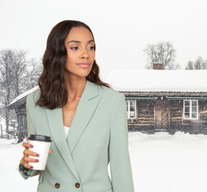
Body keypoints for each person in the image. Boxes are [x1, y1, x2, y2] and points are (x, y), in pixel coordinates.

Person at [19, 20, 134, 192]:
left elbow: (121, 169)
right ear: (57, 52)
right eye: (75, 47)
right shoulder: (36, 101)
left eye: (91, 47)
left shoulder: (111, 101)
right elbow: (39, 163)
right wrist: (27, 164)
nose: (85, 54)